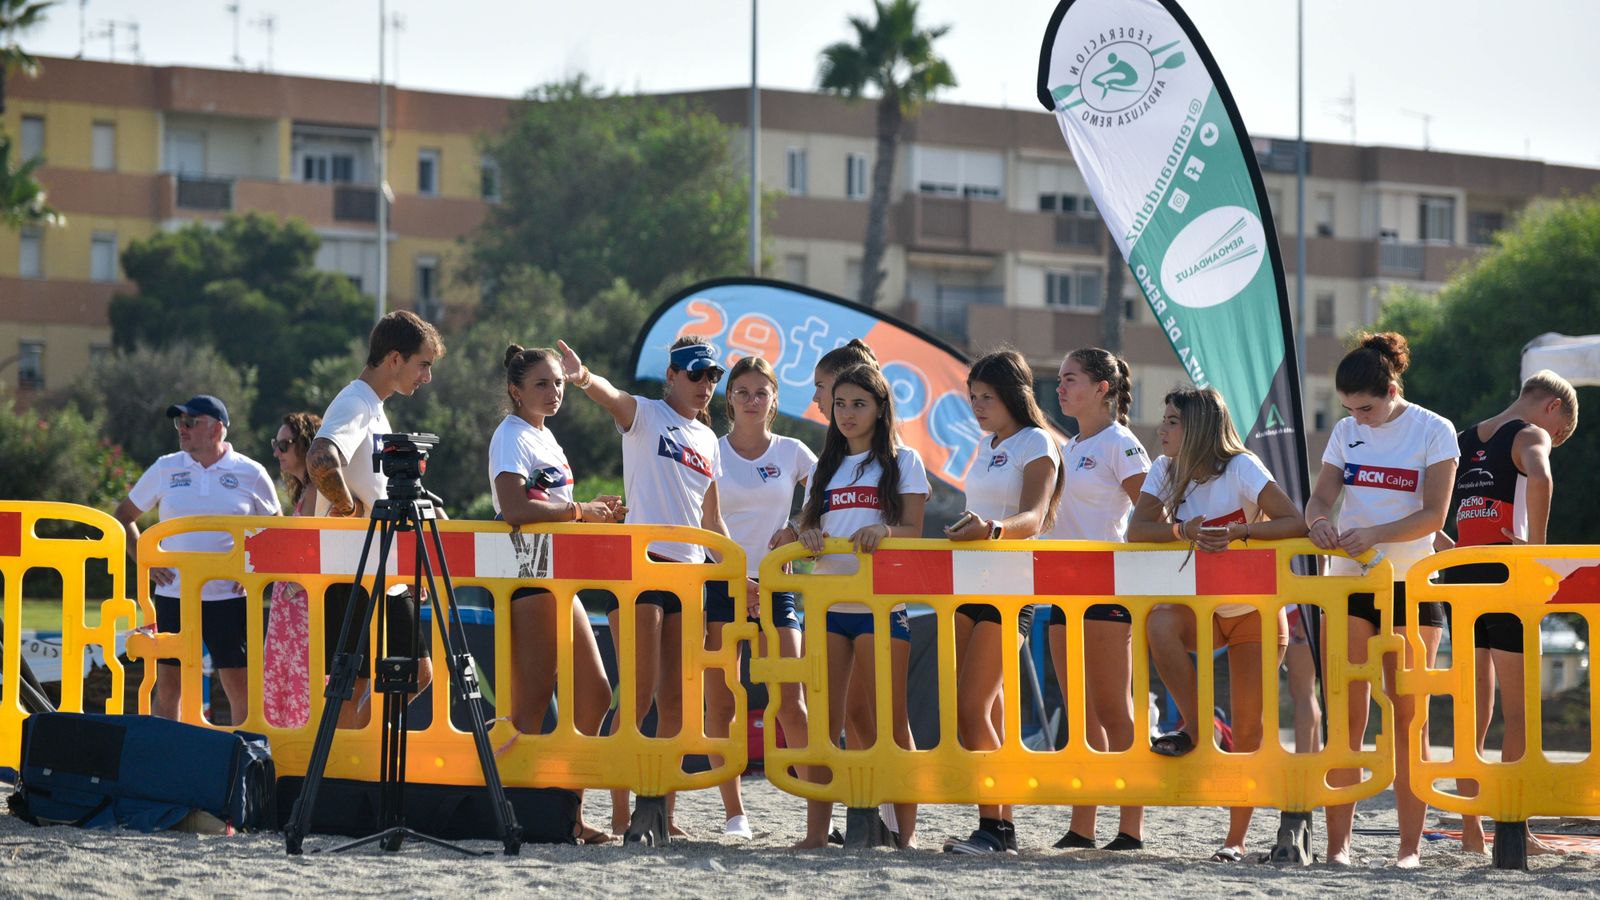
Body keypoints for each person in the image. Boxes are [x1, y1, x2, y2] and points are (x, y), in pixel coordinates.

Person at [557, 335, 730, 838]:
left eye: (712, 377)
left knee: (677, 703)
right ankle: (616, 814)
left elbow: (713, 521)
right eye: (695, 374)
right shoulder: (648, 415)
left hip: (690, 572)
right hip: (641, 567)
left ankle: (664, 815)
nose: (705, 385)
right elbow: (611, 396)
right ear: (671, 376)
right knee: (637, 696)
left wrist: (743, 574)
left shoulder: (709, 442)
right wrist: (583, 376)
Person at [1128, 385, 1307, 862]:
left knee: (1249, 730)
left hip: (1254, 612)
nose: (1160, 429)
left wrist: (1239, 531)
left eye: (1171, 421)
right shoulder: (1165, 468)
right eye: (1163, 420)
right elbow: (1135, 530)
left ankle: (1235, 839)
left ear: (1199, 427)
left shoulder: (1242, 466)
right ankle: (1200, 726)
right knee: (1159, 624)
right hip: (1200, 609)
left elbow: (1296, 522)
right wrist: (1181, 530)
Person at [1304, 332, 1457, 869]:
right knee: (1346, 718)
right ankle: (1338, 847)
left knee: (1408, 720)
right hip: (1348, 584)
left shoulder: (1434, 430)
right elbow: (1320, 495)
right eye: (1347, 409)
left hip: (1410, 587)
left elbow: (1435, 517)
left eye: (1365, 407)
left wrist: (1375, 534)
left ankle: (1409, 850)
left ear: (1392, 388)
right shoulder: (1346, 431)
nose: (1357, 418)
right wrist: (1319, 521)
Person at [489, 344, 624, 845]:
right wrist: (579, 512)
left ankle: (566, 812)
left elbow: (560, 508)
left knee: (595, 693)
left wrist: (597, 513)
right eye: (542, 383)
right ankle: (502, 807)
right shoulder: (511, 436)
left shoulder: (546, 438)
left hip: (559, 578)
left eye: (559, 383)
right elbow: (512, 507)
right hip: (530, 577)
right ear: (515, 390)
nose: (554, 392)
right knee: (528, 711)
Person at [796, 362, 929, 850]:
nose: (847, 413)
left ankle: (906, 836)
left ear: (880, 408)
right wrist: (803, 532)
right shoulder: (823, 467)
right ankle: (815, 835)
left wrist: (887, 531)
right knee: (823, 725)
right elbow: (809, 525)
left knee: (892, 724)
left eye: (859, 403)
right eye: (840, 403)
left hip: (881, 606)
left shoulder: (903, 460)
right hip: (829, 605)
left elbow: (916, 531)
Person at [1445, 370, 1578, 856]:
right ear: (1552, 409)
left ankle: (1471, 830)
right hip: (1506, 578)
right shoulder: (1530, 434)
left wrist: (1452, 548)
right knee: (1520, 710)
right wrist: (1536, 551)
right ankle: (1512, 826)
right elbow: (1541, 475)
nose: (1554, 441)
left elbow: (1434, 507)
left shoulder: (1461, 440)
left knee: (1471, 711)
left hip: (1459, 579)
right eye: (1560, 434)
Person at [941, 350, 1063, 855]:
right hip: (970, 585)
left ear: (1014, 394)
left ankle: (996, 829)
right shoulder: (987, 443)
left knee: (973, 706)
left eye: (986, 397)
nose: (977, 406)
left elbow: (1034, 517)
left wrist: (989, 529)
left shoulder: (1037, 441)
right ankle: (996, 825)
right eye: (972, 398)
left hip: (1011, 590)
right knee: (980, 709)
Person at [306, 310, 444, 729]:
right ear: (395, 359)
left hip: (381, 573)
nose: (427, 377)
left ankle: (354, 761)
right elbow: (320, 458)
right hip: (352, 574)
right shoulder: (355, 402)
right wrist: (347, 509)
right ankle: (346, 775)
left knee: (416, 673)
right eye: (424, 364)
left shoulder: (374, 407)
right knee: (355, 684)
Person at [114, 394, 280, 725]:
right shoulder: (166, 467)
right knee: (169, 687)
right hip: (174, 596)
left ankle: (243, 761)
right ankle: (165, 757)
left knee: (238, 687)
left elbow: (276, 529)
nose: (182, 429)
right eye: (180, 422)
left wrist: (252, 566)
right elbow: (123, 516)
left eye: (192, 422)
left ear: (218, 429)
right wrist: (145, 561)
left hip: (228, 598)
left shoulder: (251, 472)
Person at [1045, 347, 1151, 852]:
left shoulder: (1120, 443)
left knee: (1114, 711)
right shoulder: (1068, 446)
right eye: (1060, 379)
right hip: (1062, 593)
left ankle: (1131, 826)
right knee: (1078, 716)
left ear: (1102, 388)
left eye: (1070, 379)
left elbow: (1150, 512)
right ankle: (1082, 826)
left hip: (1107, 592)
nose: (1060, 387)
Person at [713, 355, 819, 842]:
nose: (752, 400)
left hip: (777, 586)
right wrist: (739, 580)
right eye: (742, 392)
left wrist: (797, 526)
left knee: (792, 701)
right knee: (721, 701)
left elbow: (828, 491)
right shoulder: (711, 450)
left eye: (761, 392)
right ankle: (735, 815)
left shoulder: (794, 450)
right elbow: (701, 519)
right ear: (728, 398)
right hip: (722, 584)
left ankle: (817, 814)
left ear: (775, 399)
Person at [262, 411, 322, 728]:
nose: (277, 452)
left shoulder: (315, 491)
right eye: (276, 444)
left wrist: (297, 585)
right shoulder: (306, 492)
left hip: (301, 607)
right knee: (289, 683)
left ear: (306, 446)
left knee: (301, 686)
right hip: (291, 607)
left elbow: (320, 545)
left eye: (284, 444)